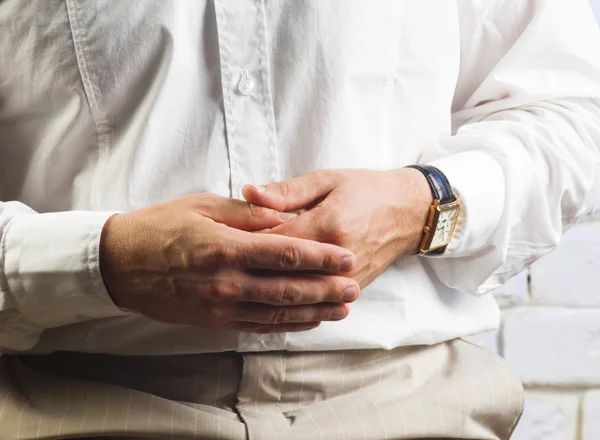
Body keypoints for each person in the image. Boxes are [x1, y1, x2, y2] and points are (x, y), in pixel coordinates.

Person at [1, 1, 599, 439]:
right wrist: (100, 262)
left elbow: (571, 113)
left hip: (413, 404)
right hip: (73, 405)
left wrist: (422, 204)